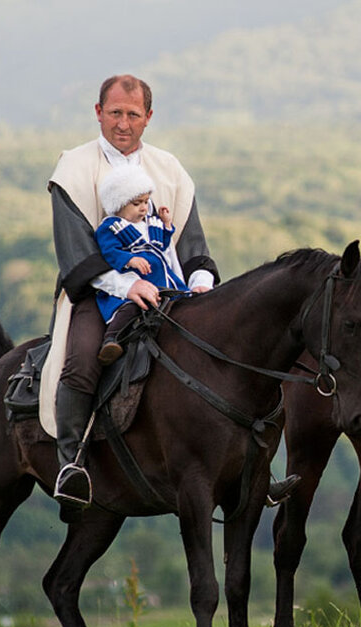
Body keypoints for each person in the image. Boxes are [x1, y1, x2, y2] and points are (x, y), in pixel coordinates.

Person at [47, 74, 217, 508]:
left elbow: (193, 246)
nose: (123, 123)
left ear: (149, 118)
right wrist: (129, 283)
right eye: (115, 113)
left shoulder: (170, 170)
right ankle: (72, 465)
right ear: (98, 113)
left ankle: (243, 463)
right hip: (97, 294)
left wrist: (201, 285)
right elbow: (77, 256)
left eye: (133, 114)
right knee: (82, 363)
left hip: (171, 289)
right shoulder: (73, 168)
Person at [93, 164, 192, 365]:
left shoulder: (150, 223)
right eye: (137, 203)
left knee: (187, 301)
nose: (144, 208)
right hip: (136, 280)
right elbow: (109, 252)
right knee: (130, 308)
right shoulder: (111, 227)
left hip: (162, 278)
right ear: (119, 204)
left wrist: (166, 225)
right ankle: (112, 339)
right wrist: (129, 259)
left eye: (146, 202)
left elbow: (162, 246)